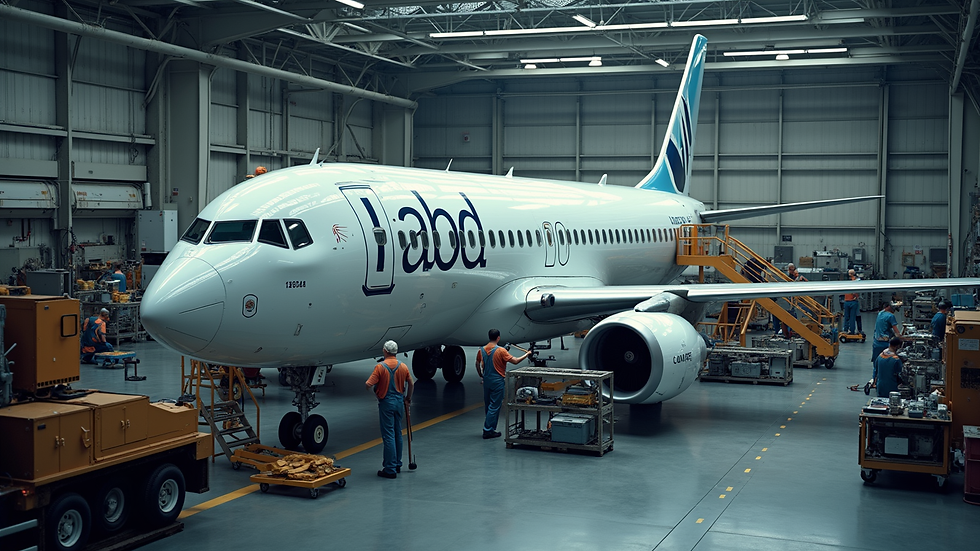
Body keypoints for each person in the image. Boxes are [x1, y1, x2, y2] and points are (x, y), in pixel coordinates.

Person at [365, 340, 414, 479]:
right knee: (398, 432)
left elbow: (368, 384)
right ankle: (398, 463)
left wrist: (376, 393)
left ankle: (390, 468)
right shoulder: (403, 367)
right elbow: (411, 383)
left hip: (386, 403)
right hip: (399, 402)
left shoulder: (380, 367)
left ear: (385, 351)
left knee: (388, 435)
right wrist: (408, 399)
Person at [475, 329, 530, 439]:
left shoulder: (481, 350)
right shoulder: (501, 351)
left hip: (487, 380)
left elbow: (477, 364)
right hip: (497, 381)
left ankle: (490, 426)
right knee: (495, 405)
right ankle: (488, 430)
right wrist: (527, 354)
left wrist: (481, 375)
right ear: (498, 338)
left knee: (489, 404)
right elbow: (515, 361)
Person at [871, 301, 902, 384]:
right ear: (889, 307)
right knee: (888, 364)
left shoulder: (880, 313)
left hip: (876, 342)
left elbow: (884, 326)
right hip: (885, 344)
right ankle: (885, 381)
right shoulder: (891, 316)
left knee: (876, 364)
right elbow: (896, 331)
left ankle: (874, 381)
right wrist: (900, 337)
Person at [842, 269, 860, 334]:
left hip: (847, 301)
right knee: (852, 318)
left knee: (846, 317)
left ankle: (845, 330)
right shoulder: (856, 281)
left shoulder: (847, 282)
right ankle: (852, 331)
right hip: (853, 301)